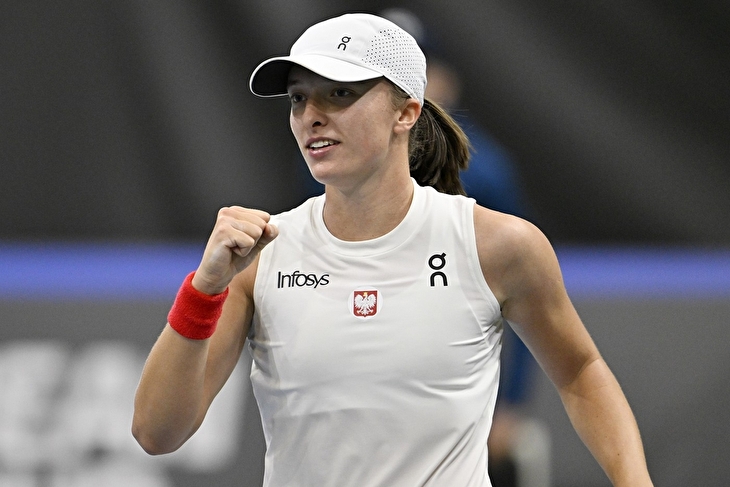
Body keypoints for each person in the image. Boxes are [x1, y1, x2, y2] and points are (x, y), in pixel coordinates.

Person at [132, 13, 653, 487]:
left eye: (339, 93)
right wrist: (205, 289)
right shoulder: (262, 255)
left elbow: (580, 372)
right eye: (298, 98)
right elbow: (157, 433)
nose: (311, 116)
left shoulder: (497, 244)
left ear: (406, 112)